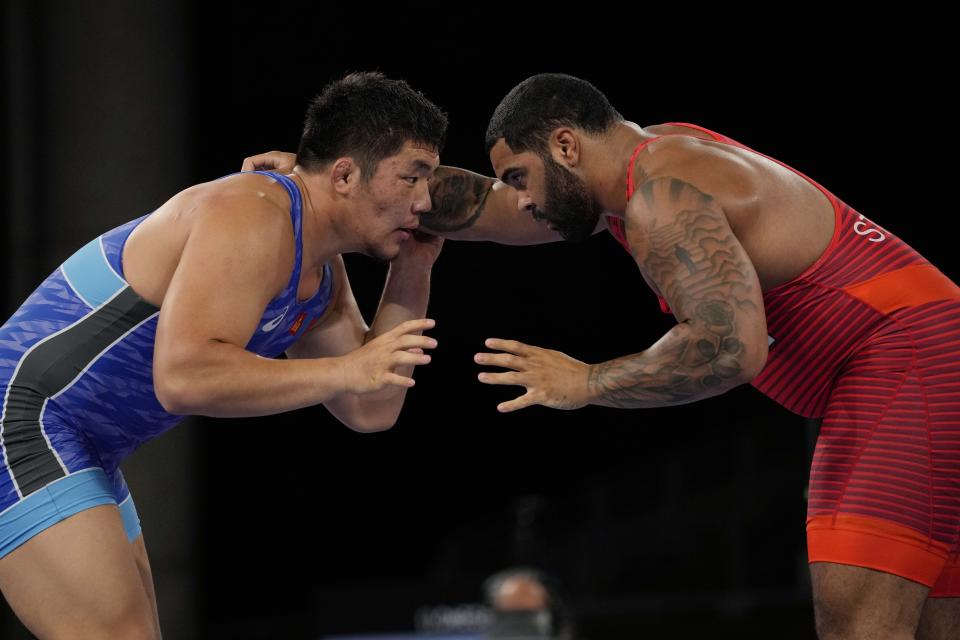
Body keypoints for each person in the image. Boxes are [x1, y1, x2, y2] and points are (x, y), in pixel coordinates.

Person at [248, 71, 960, 639]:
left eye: (521, 178)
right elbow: (479, 207)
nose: (520, 202)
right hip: (928, 359)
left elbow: (729, 349)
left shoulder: (662, 197)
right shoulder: (652, 161)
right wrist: (318, 186)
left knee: (860, 625)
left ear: (564, 146)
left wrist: (587, 381)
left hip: (911, 366)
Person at [0, 71, 445, 639]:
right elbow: (184, 377)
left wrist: (412, 270)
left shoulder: (322, 273)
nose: (426, 200)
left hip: (86, 443)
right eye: (413, 177)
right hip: (22, 417)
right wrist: (344, 369)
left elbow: (371, 407)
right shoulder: (253, 212)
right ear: (344, 174)